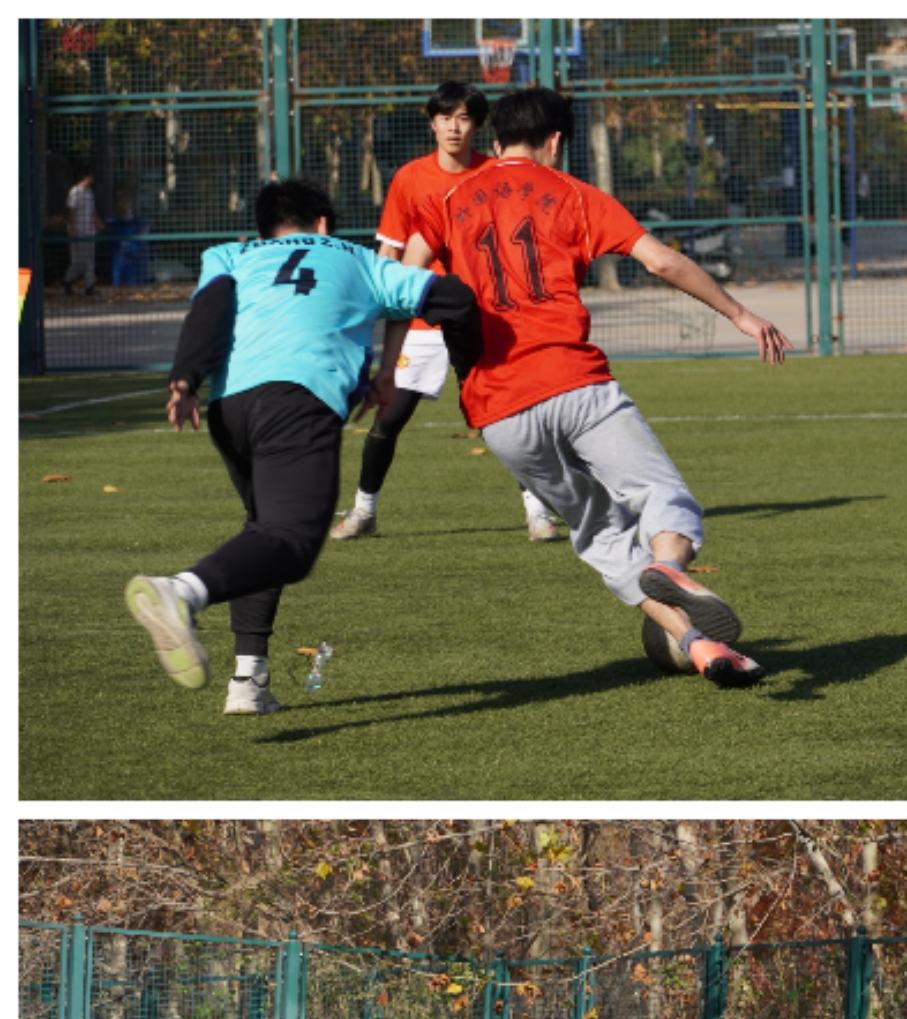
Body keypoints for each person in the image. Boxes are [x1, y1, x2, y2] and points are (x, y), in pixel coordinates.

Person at [392, 85, 790, 689]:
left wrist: (384, 363)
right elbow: (662, 261)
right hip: (574, 383)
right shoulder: (576, 194)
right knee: (665, 499)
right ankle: (672, 565)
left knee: (601, 534)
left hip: (498, 410)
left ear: (495, 142)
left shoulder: (447, 198)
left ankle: (697, 644)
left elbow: (402, 279)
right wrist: (740, 314)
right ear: (555, 141)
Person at [123, 177, 478, 714]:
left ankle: (249, 680)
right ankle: (181, 591)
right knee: (291, 540)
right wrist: (469, 369)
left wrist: (184, 379)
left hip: (230, 407)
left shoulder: (231, 254)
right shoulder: (358, 259)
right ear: (323, 224)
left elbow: (211, 309)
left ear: (264, 227)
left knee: (264, 533)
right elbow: (453, 298)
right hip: (298, 398)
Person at [328, 80, 558, 544]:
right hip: (422, 317)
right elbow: (390, 253)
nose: (454, 127)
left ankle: (538, 513)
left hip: (486, 317)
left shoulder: (495, 173)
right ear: (432, 123)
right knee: (389, 418)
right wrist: (376, 309)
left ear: (478, 126)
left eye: (464, 118)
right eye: (445, 117)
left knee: (507, 415)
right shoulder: (410, 179)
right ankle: (364, 512)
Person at [64, 171, 99, 294]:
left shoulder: (90, 192)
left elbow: (92, 211)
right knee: (79, 260)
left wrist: (96, 223)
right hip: (79, 229)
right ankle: (68, 280)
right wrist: (73, 228)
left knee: (89, 259)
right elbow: (72, 211)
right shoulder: (75, 191)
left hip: (89, 230)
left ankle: (89, 286)